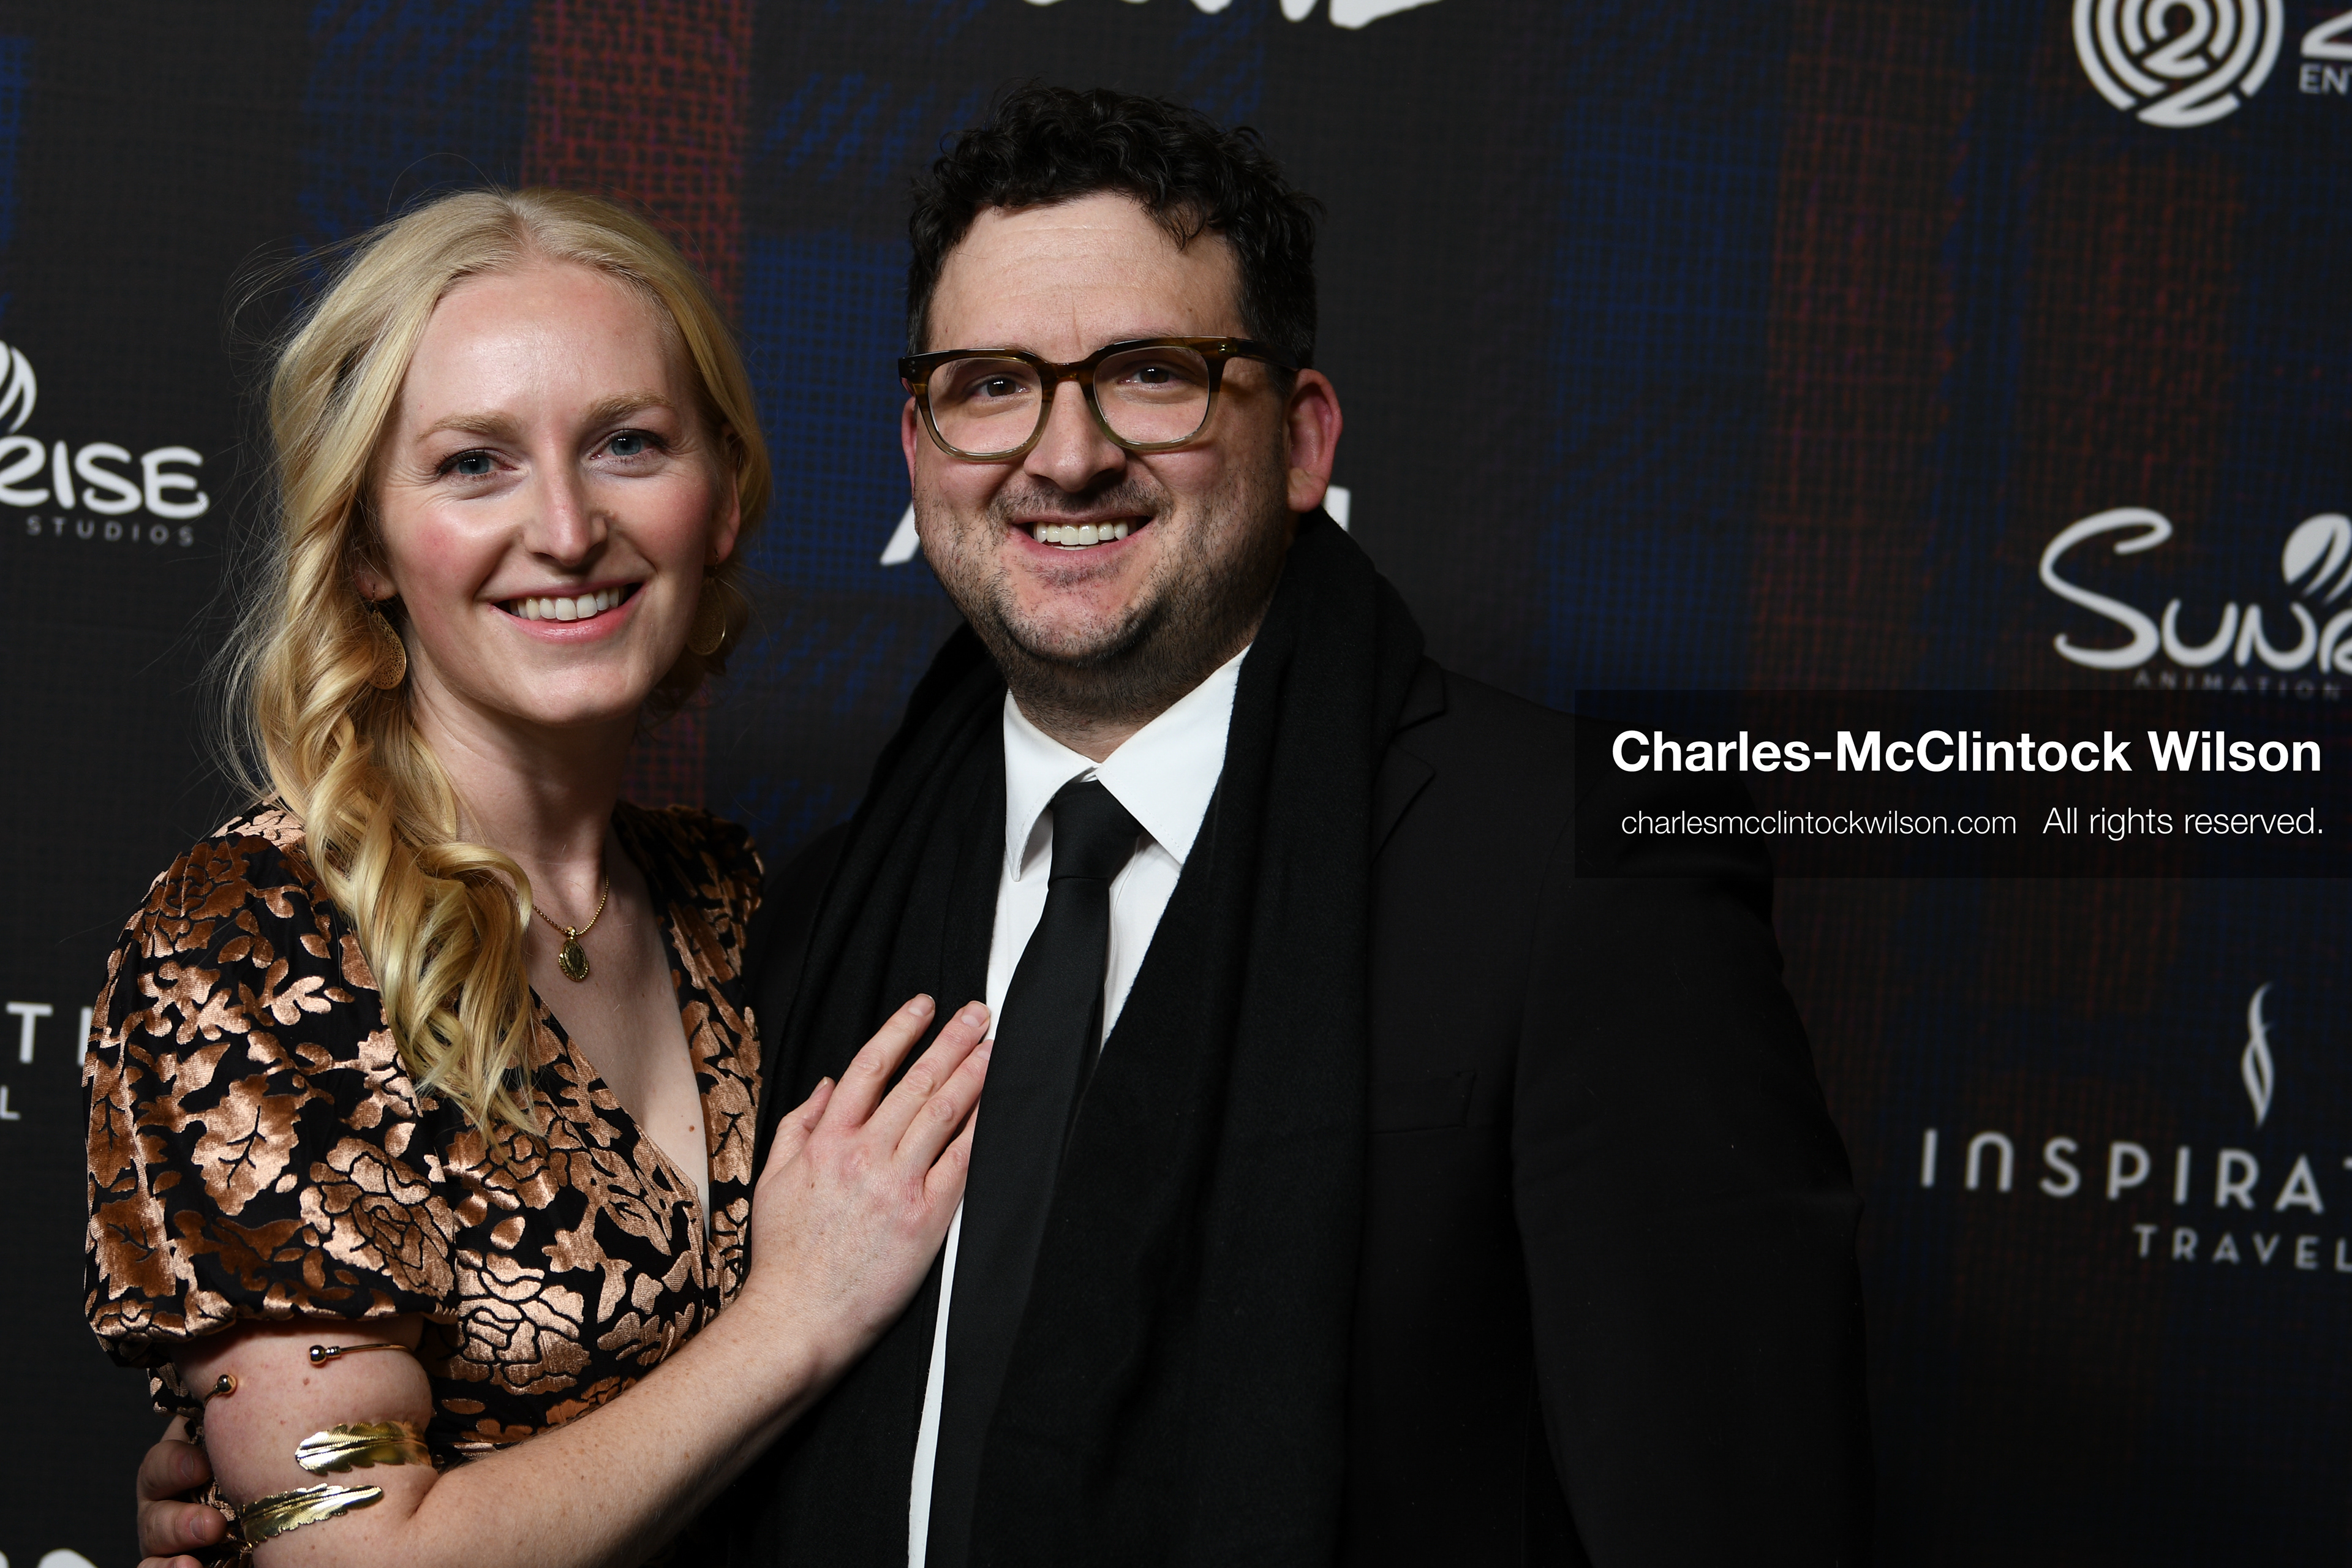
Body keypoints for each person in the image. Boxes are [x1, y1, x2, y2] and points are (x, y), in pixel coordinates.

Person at [717, 86, 1873, 1567]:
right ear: (920, 441)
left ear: (1306, 437)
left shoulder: (1583, 871)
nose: (1064, 455)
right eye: (992, 383)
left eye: (1151, 373)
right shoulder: (824, 918)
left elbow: (1737, 1513)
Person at [93, 188, 989, 1568]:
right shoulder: (255, 942)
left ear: (726, 498)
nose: (568, 528)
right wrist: (795, 1319)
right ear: (370, 543)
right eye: (473, 464)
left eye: (629, 443)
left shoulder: (740, 901)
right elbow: (359, 1561)